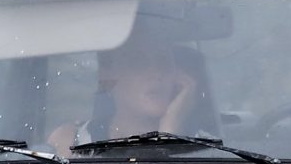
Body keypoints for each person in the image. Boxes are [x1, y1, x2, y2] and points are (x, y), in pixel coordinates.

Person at [48, 31, 203, 156]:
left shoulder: (205, 148)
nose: (156, 73)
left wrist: (169, 134)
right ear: (108, 77)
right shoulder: (73, 143)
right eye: (138, 62)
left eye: (164, 61)